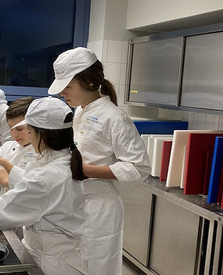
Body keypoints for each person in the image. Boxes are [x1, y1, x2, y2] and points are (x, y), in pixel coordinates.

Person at [0, 97, 87, 275]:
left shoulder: (46, 176)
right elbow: (34, 186)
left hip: (52, 264)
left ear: (41, 134)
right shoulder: (64, 160)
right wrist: (4, 165)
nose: (25, 136)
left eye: (28, 130)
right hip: (64, 255)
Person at [48, 47, 151, 275]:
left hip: (99, 209)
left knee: (96, 267)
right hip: (75, 202)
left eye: (68, 86)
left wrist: (88, 170)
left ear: (91, 83)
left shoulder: (115, 118)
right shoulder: (79, 111)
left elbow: (139, 168)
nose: (62, 93)